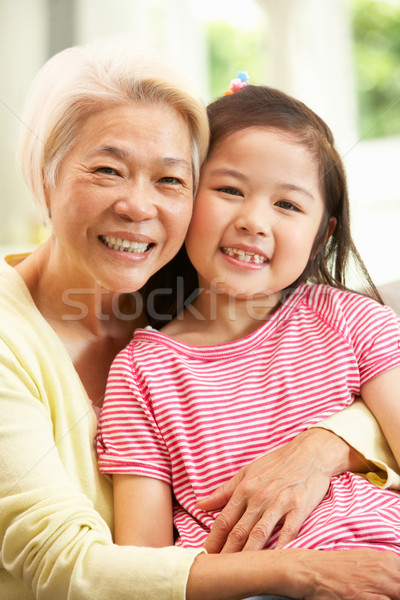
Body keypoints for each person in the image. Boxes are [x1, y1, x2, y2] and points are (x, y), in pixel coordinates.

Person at [1, 38, 400, 600]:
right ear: (45, 176)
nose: (139, 207)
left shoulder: (340, 320)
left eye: (169, 179)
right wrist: (310, 571)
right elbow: (74, 564)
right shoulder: (140, 367)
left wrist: (326, 445)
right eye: (108, 170)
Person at [97, 83, 400, 561]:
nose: (254, 220)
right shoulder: (141, 373)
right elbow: (145, 562)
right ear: (186, 196)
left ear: (324, 234)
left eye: (288, 205)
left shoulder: (355, 321)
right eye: (229, 190)